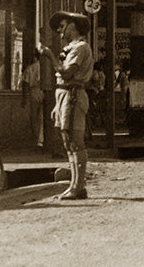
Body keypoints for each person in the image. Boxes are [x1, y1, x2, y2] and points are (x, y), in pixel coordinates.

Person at [50, 10, 93, 200]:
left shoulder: (81, 47)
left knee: (75, 141)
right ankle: (74, 185)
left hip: (73, 95)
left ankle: (79, 186)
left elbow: (67, 73)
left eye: (62, 26)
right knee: (68, 142)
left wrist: (48, 55)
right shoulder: (71, 47)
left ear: (73, 27)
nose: (60, 30)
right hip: (65, 94)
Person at [21, 49, 44, 147]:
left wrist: (24, 98)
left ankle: (37, 138)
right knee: (43, 116)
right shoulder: (46, 68)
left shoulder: (30, 68)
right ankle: (42, 138)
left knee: (34, 116)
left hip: (33, 91)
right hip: (44, 91)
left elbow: (25, 84)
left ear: (35, 57)